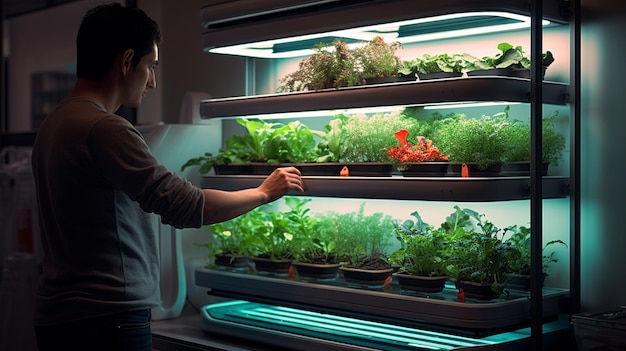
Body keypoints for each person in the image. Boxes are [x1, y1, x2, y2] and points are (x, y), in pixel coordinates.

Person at [30, 3, 304, 351]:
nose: (153, 81)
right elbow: (186, 207)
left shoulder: (53, 126)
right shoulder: (104, 129)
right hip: (107, 319)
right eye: (151, 66)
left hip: (61, 318)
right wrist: (263, 193)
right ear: (127, 61)